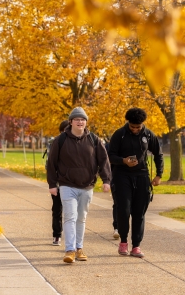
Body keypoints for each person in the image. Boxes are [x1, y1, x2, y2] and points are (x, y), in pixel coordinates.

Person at [47, 107, 111, 264]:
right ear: (71, 122)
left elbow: (103, 161)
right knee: (70, 216)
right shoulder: (60, 140)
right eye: (77, 119)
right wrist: (52, 184)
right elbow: (52, 163)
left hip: (87, 186)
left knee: (81, 218)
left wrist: (106, 180)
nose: (80, 122)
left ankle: (79, 248)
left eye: (82, 120)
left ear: (86, 122)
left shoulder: (94, 140)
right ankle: (69, 250)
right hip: (67, 185)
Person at [108, 107, 163, 258]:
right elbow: (110, 155)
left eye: (138, 127)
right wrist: (123, 161)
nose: (135, 130)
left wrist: (159, 175)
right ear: (128, 123)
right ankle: (123, 242)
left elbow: (158, 154)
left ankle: (136, 246)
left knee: (139, 212)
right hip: (122, 175)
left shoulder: (148, 134)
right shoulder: (120, 134)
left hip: (141, 176)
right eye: (132, 127)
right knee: (124, 210)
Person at [51, 120, 69, 246]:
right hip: (58, 182)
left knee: (72, 212)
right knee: (57, 209)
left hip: (72, 183)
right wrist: (52, 184)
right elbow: (50, 164)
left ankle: (71, 237)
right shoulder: (56, 143)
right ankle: (57, 234)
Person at [104, 140, 120, 240]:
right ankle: (117, 228)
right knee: (118, 203)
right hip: (116, 177)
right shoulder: (110, 145)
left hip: (133, 177)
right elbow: (104, 161)